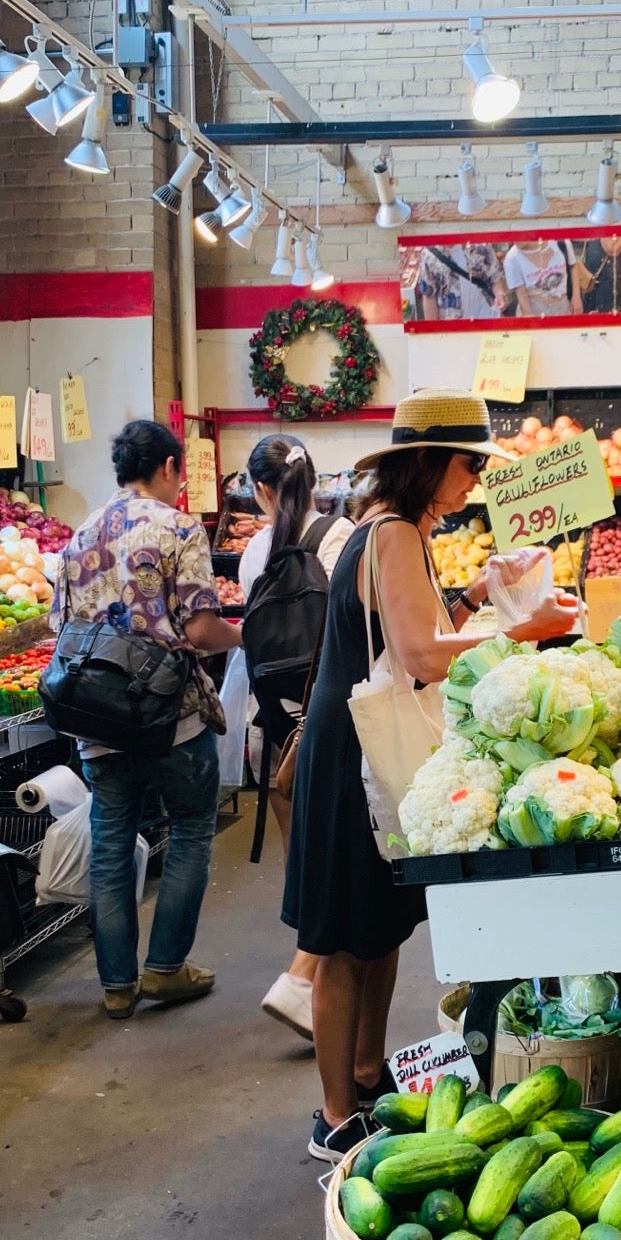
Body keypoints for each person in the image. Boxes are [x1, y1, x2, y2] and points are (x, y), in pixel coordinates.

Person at [281, 389, 580, 1160]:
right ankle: (334, 1115)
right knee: (346, 943)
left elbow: (414, 630)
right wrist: (523, 628)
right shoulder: (395, 537)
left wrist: (479, 594)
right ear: (433, 463)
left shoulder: (382, 530)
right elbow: (418, 657)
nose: (473, 482)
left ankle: (367, 1072)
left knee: (377, 933)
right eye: (467, 465)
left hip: (354, 754)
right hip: (358, 765)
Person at [54, 420, 241, 1018]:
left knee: (110, 840)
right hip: (169, 715)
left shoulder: (79, 535)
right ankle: (163, 969)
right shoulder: (177, 527)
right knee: (189, 826)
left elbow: (63, 628)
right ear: (166, 466)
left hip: (97, 717)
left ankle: (116, 985)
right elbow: (199, 629)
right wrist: (243, 636)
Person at [238, 437, 353, 1041]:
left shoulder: (254, 549)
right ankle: (306, 981)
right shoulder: (339, 537)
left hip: (276, 731)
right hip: (327, 727)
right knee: (336, 863)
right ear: (315, 483)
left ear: (260, 489)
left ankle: (307, 978)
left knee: (303, 862)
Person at [503, 239, 576, 318]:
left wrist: (576, 297)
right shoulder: (512, 258)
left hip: (563, 306)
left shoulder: (561, 242)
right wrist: (528, 317)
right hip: (535, 310)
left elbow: (573, 265)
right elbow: (521, 295)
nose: (515, 239)